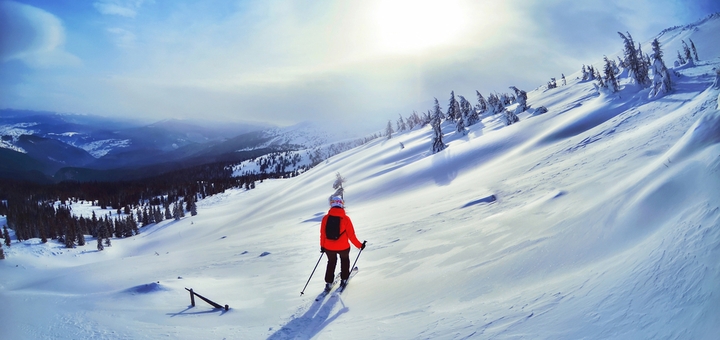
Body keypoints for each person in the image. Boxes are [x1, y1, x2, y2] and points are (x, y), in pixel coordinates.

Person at [320, 195, 365, 291]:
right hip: (343, 247)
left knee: (331, 262)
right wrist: (360, 245)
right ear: (341, 205)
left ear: (332, 205)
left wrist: (322, 246)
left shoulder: (325, 218)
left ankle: (328, 283)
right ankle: (344, 279)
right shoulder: (346, 219)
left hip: (328, 247)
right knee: (344, 260)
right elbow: (351, 235)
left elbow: (322, 234)